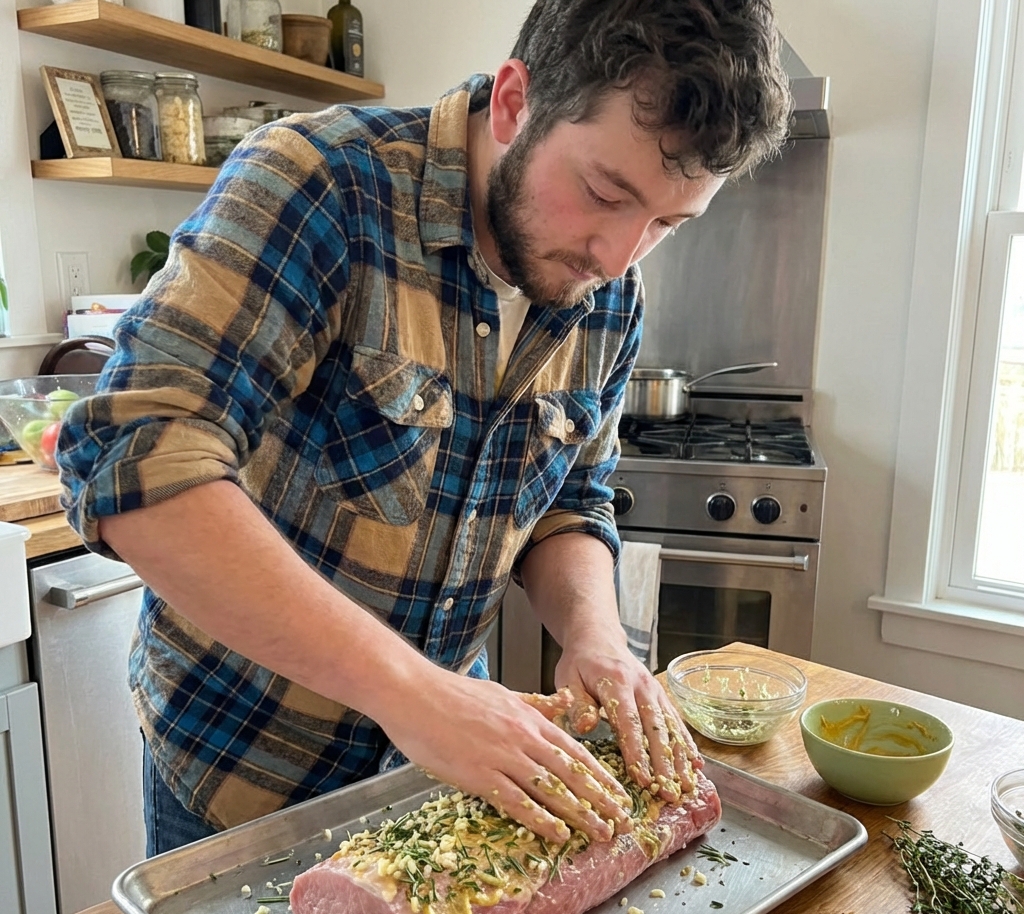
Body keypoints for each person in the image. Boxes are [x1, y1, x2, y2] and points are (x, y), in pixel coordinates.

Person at [58, 0, 791, 857]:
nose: (619, 256)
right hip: (243, 764)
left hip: (442, 756)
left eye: (667, 225)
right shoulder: (321, 182)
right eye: (604, 192)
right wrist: (410, 692)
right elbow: (134, 456)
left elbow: (570, 500)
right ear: (516, 102)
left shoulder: (611, 293)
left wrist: (596, 638)